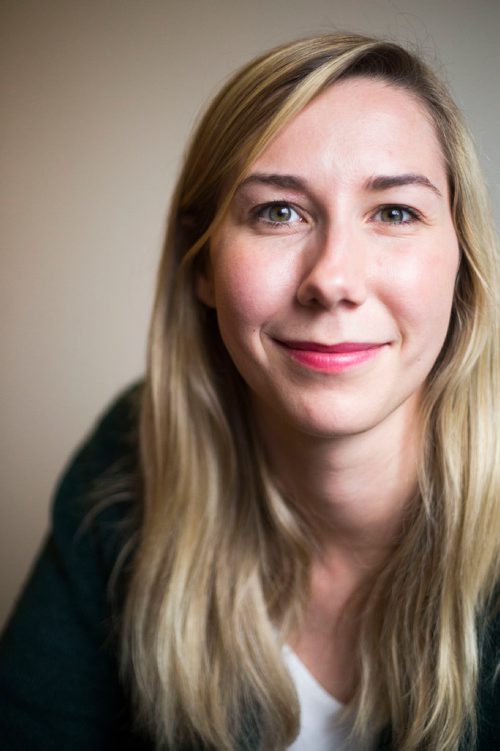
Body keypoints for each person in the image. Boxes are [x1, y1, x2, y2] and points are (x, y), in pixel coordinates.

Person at [0, 32, 498, 751]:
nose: (332, 279)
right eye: (278, 212)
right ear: (201, 264)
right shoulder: (130, 460)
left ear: (463, 262)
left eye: (394, 213)